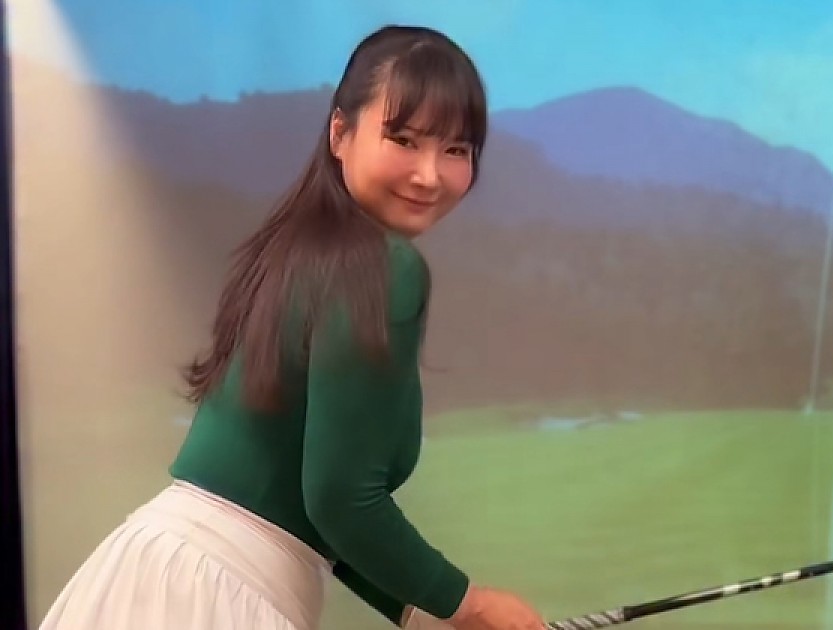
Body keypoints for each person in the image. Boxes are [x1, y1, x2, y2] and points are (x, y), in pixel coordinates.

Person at [38, 24, 546, 630]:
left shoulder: (298, 251)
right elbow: (340, 501)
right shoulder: (386, 268)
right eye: (403, 139)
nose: (429, 175)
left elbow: (313, 512)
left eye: (456, 150)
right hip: (215, 597)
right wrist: (469, 601)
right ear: (340, 133)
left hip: (155, 572)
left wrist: (425, 611)